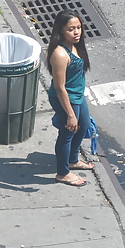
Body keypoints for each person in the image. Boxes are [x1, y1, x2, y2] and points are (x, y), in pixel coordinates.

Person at [46, 10, 94, 187]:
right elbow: (59, 88)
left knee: (84, 127)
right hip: (65, 98)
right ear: (61, 31)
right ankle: (62, 173)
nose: (77, 32)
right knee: (67, 132)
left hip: (77, 95)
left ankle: (73, 159)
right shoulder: (59, 54)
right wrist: (70, 114)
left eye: (79, 28)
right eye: (71, 29)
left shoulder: (77, 45)